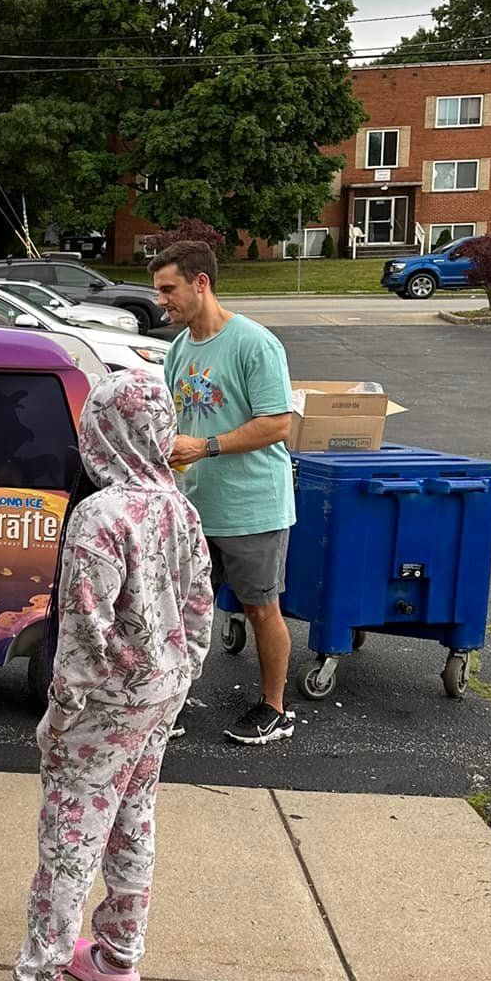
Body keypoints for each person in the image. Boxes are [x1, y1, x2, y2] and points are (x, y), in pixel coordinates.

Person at [0, 371, 213, 981]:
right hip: (161, 691)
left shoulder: (101, 515)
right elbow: (200, 606)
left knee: (69, 838)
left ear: (101, 429)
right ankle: (118, 957)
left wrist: (60, 712)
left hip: (103, 705)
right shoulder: (177, 506)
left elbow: (83, 631)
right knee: (134, 817)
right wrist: (180, 675)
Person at [152, 239, 297, 746]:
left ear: (201, 283)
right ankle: (169, 701)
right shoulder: (178, 349)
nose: (161, 300)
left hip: (252, 506)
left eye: (168, 289)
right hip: (193, 508)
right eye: (158, 291)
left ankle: (274, 709)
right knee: (181, 610)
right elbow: (174, 422)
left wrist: (206, 446)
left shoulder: (254, 344)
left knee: (261, 608)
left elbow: (278, 424)